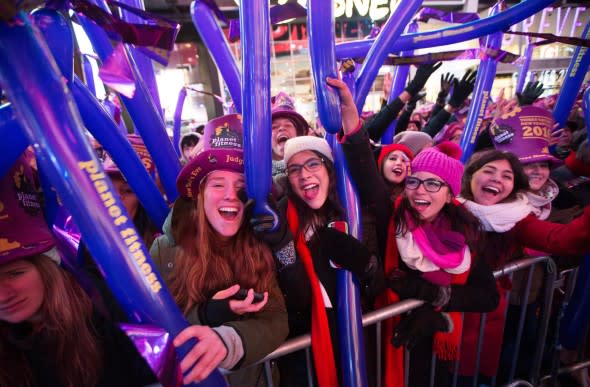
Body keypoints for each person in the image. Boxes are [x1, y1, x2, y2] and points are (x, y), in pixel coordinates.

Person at [333, 77, 499, 387]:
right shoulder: (393, 215)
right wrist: (349, 114)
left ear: (450, 194)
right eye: (414, 181)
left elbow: (486, 297)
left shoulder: (465, 231)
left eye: (432, 183)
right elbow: (365, 170)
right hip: (395, 338)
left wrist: (436, 302)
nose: (420, 190)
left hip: (440, 341)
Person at [0, 155, 156, 387]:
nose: (3, 295)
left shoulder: (105, 306)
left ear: (48, 268)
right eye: (106, 190)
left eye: (15, 273)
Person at [161, 114, 289, 386]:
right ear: (200, 194)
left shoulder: (258, 242)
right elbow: (156, 332)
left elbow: (277, 320)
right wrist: (208, 314)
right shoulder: (166, 248)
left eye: (240, 187)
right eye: (218, 184)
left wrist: (228, 339)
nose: (231, 195)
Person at [251, 134, 383, 387]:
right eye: (294, 169)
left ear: (329, 169)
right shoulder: (278, 217)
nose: (304, 174)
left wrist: (363, 261)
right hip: (306, 351)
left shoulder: (354, 212)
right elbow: (291, 299)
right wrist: (283, 246)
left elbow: (376, 287)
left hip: (354, 340)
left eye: (313, 163)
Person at [456, 149, 590, 385]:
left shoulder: (516, 216)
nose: (498, 179)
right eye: (489, 171)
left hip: (488, 317)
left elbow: (562, 238)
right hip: (447, 315)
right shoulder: (447, 209)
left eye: (507, 176)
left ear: (513, 186)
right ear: (470, 176)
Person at [270, 92, 309, 177]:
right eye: (274, 127)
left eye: (288, 125)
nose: (281, 128)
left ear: (298, 134)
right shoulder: (257, 174)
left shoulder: (312, 166)